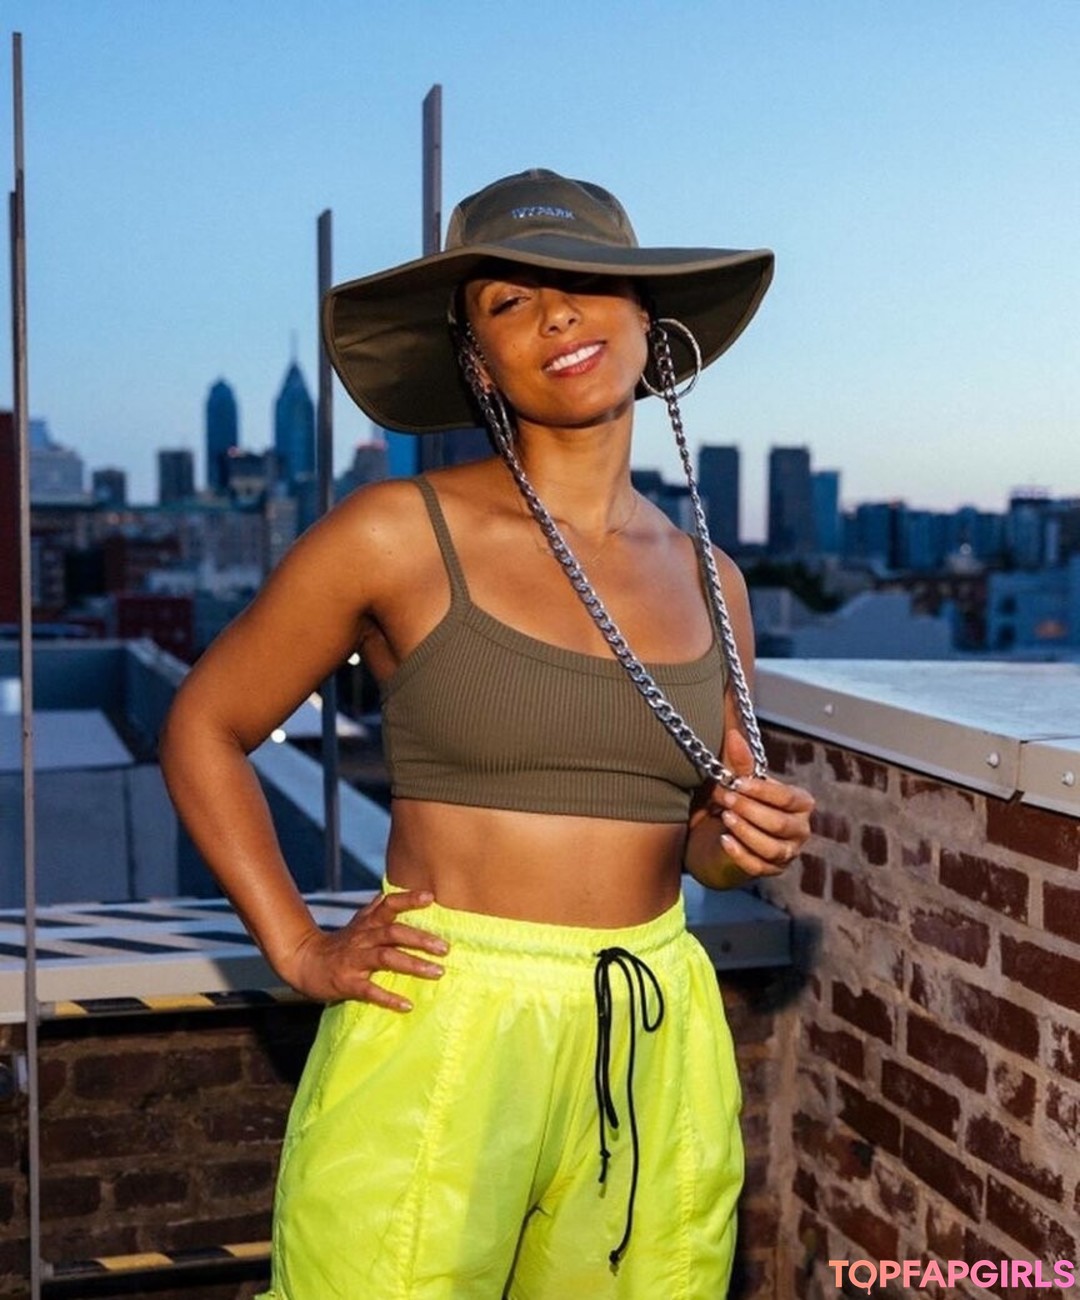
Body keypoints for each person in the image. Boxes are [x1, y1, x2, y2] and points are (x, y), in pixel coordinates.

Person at [160, 168, 814, 1299]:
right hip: (444, 1019)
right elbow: (204, 726)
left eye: (586, 283)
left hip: (653, 1024)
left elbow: (702, 843)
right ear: (476, 361)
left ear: (646, 318)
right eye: (510, 301)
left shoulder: (715, 578)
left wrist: (746, 838)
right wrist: (299, 949)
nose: (556, 315)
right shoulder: (394, 533)